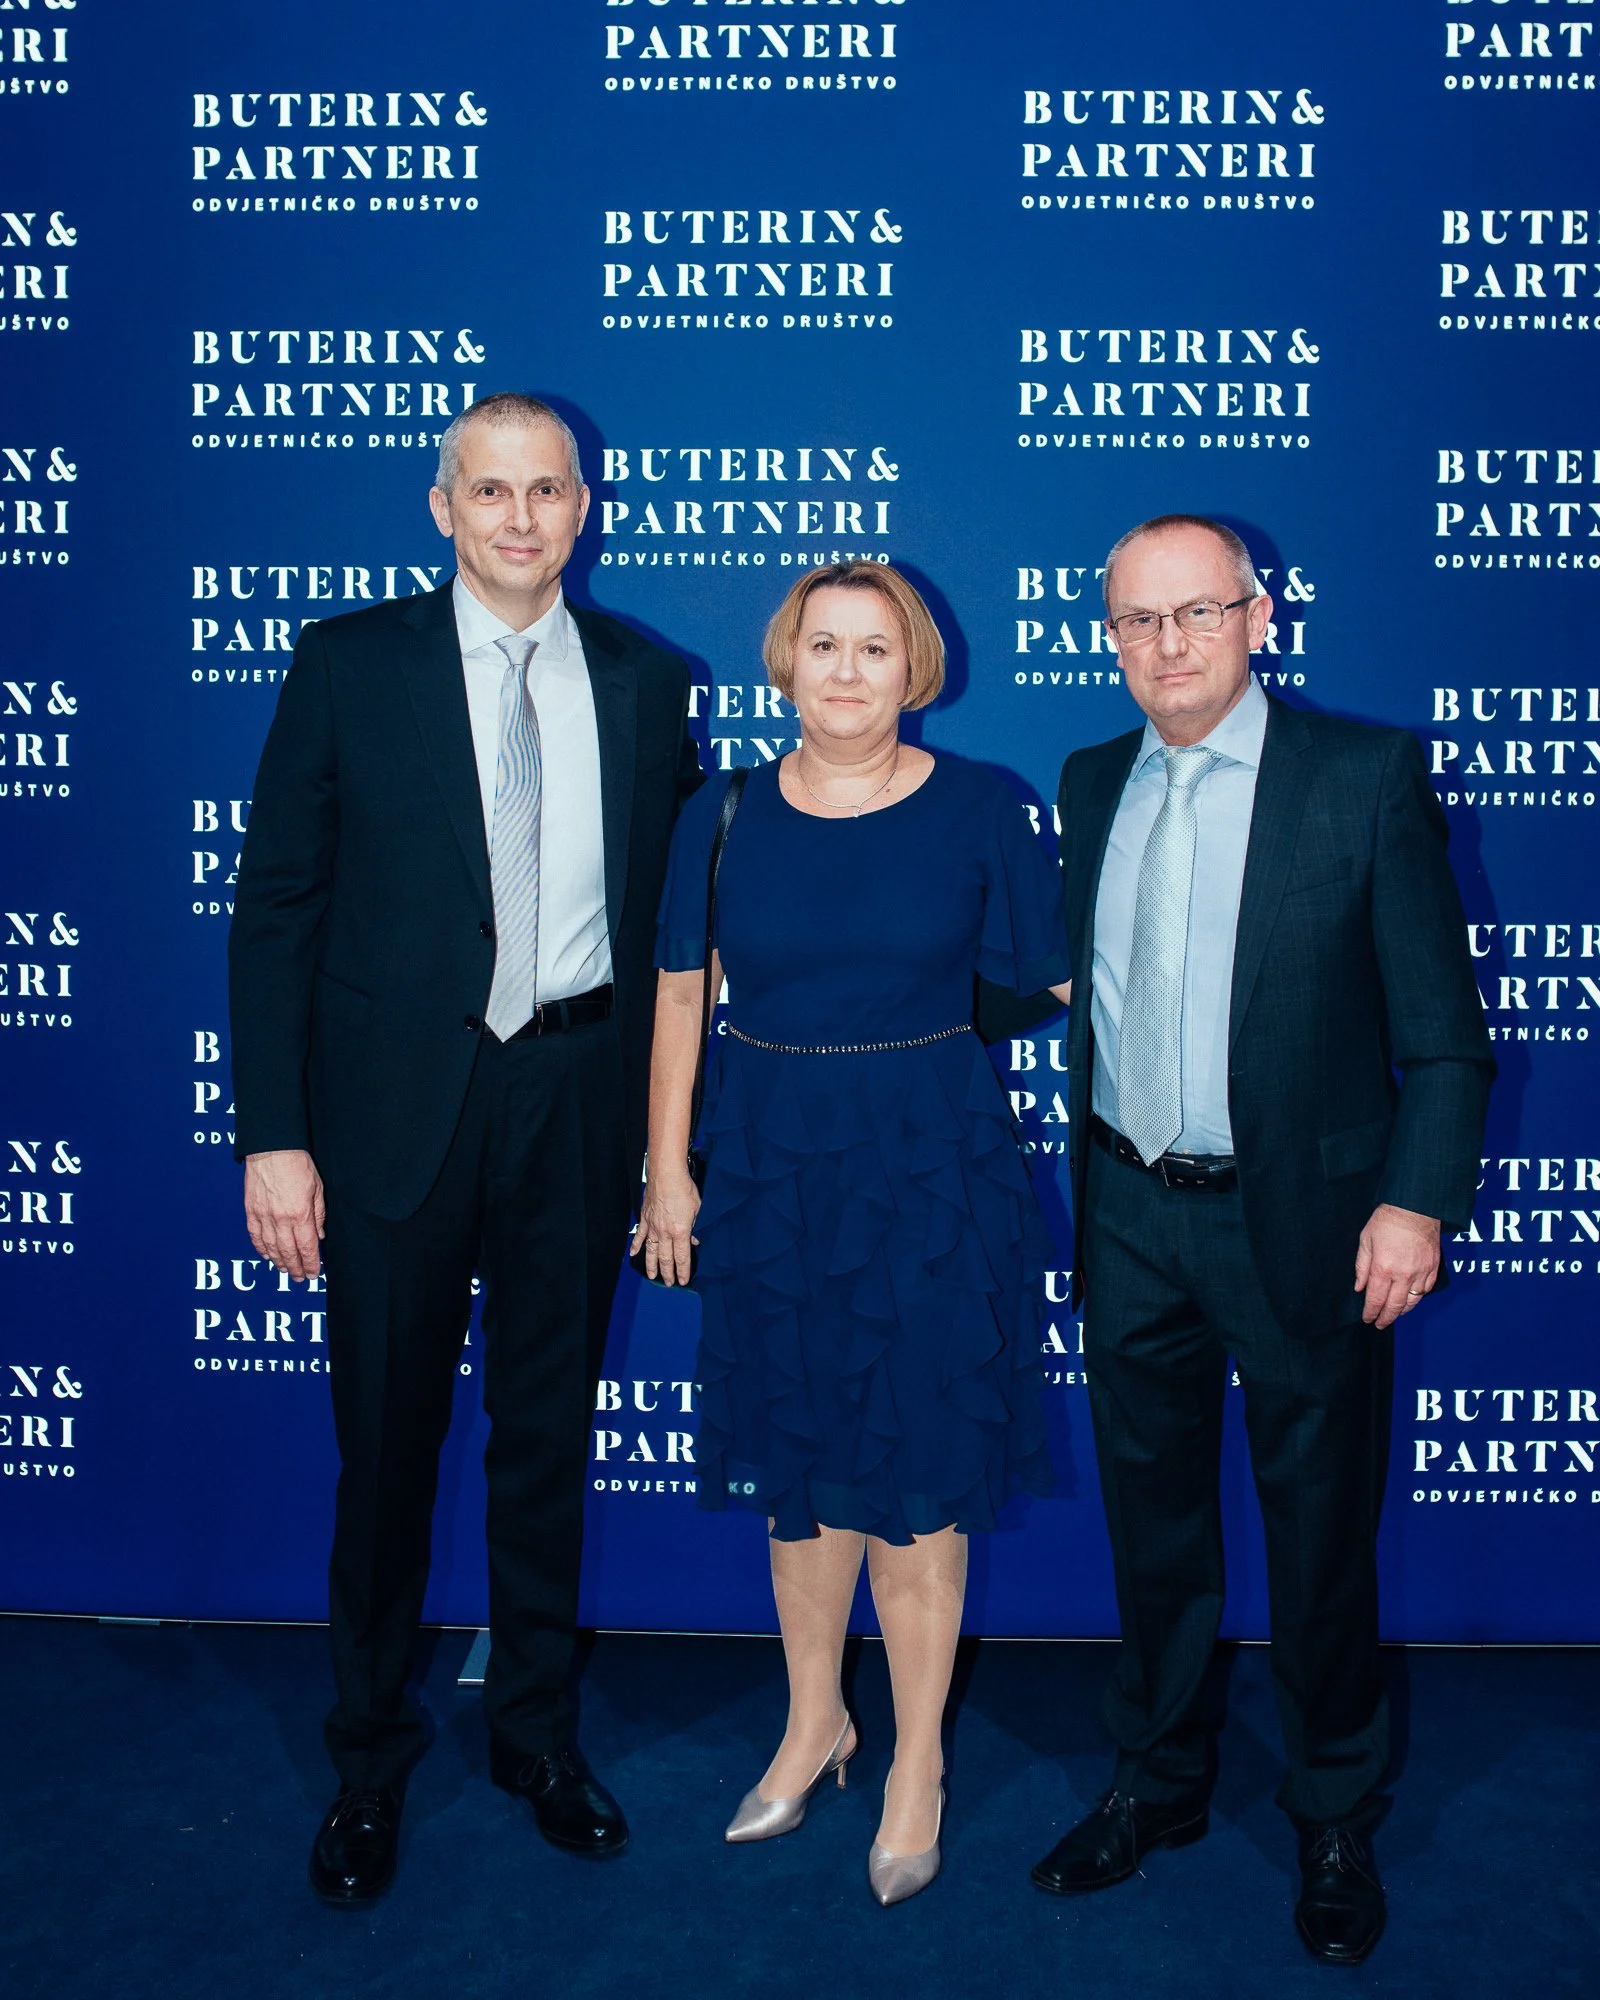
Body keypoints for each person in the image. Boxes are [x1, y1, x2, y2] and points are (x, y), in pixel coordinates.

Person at [228, 393, 703, 1902]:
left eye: (545, 490)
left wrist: (660, 1142)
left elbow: (672, 931)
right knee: (386, 1453)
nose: (517, 518)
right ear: (442, 508)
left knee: (547, 1441)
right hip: (388, 1119)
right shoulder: (348, 664)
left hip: (572, 1101)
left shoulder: (645, 683)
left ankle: (537, 1737)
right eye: (487, 491)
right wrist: (274, 1139)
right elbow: (276, 913)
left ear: (585, 507)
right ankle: (368, 1760)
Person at [1030, 515, 1493, 1964]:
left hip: (1303, 1226)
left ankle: (1335, 1813)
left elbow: (1446, 1041)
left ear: (1259, 616)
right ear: (1108, 637)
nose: (1167, 647)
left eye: (1197, 614)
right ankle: (1160, 1783)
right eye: (1137, 622)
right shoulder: (1091, 778)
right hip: (1127, 1217)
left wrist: (1413, 1202)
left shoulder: (1361, 778)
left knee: (1320, 1541)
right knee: (1152, 1531)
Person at [634, 560, 1072, 1906]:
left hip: (930, 1167)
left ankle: (918, 1760)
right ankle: (813, 1718)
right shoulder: (719, 814)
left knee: (921, 1468)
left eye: (874, 650)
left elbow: (1046, 980)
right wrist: (666, 1171)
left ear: (915, 671)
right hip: (768, 1166)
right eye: (822, 645)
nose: (844, 671)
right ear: (785, 662)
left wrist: (914, 1049)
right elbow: (678, 999)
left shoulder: (987, 809)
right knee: (801, 1458)